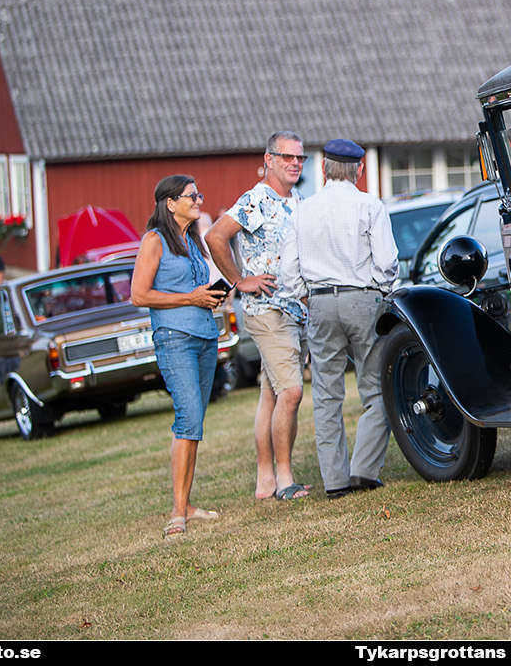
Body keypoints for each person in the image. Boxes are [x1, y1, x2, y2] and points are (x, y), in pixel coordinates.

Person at [279, 139, 397, 499]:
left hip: (320, 302)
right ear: (358, 169)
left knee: (327, 396)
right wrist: (379, 289)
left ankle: (335, 481)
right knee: (377, 388)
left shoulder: (302, 210)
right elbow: (387, 262)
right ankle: (363, 469)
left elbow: (288, 272)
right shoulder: (369, 205)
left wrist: (308, 295)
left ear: (324, 169)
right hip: (362, 298)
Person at [206, 131, 311, 502]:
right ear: (269, 160)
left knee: (271, 393)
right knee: (292, 392)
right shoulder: (257, 199)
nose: (295, 163)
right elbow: (216, 236)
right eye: (287, 157)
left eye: (300, 158)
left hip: (296, 309)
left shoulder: (299, 201)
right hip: (267, 309)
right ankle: (284, 480)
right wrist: (239, 280)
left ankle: (265, 479)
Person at [131, 175, 227, 537]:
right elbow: (139, 295)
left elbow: (194, 290)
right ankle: (177, 512)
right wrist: (191, 298)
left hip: (205, 338)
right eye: (191, 196)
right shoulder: (154, 241)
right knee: (188, 418)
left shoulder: (193, 240)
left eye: (199, 195)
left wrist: (210, 297)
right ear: (170, 203)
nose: (198, 200)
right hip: (175, 340)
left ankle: (186, 504)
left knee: (195, 422)